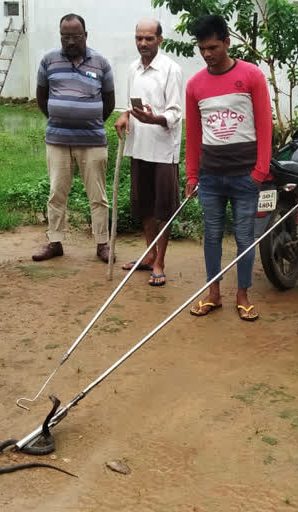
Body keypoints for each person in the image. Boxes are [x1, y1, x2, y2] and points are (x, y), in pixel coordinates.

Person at [184, 15, 272, 320]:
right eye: (202, 48)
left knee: (245, 237)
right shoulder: (195, 85)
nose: (207, 54)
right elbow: (193, 135)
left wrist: (259, 172)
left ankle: (243, 294)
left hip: (245, 176)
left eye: (212, 47)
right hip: (210, 177)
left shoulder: (251, 76)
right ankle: (213, 293)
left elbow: (264, 126)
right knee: (211, 236)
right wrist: (192, 175)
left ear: (226, 42)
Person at [32, 13, 116, 263]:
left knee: (98, 196)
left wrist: (88, 121)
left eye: (75, 36)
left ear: (85, 36)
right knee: (56, 192)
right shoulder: (48, 61)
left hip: (93, 141)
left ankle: (102, 244)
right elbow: (42, 98)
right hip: (58, 140)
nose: (70, 41)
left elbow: (109, 103)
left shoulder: (101, 63)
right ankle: (54, 241)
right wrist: (61, 118)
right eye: (65, 36)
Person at [114, 18, 183, 287]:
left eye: (149, 39)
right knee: (144, 205)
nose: (143, 43)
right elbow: (130, 105)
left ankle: (159, 262)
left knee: (163, 208)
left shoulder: (171, 70)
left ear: (160, 40)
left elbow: (176, 113)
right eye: (139, 38)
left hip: (164, 151)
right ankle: (149, 254)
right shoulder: (132, 69)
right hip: (138, 147)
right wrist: (125, 116)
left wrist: (156, 120)